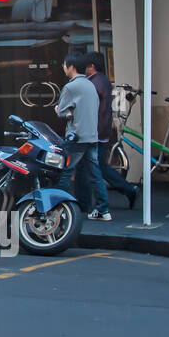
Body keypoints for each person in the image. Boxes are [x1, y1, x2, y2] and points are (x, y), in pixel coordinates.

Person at [56, 53, 110, 221]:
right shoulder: (89, 85)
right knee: (95, 174)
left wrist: (59, 110)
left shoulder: (71, 87)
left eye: (64, 65)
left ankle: (61, 209)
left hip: (76, 137)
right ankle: (103, 209)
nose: (63, 68)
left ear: (71, 67)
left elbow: (63, 112)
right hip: (92, 136)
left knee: (65, 172)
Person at [85, 51, 139, 210]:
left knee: (93, 168)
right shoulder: (103, 81)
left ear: (92, 66)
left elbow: (94, 109)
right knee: (99, 166)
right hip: (101, 130)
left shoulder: (95, 83)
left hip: (95, 130)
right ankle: (128, 189)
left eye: (86, 65)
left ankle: (99, 204)